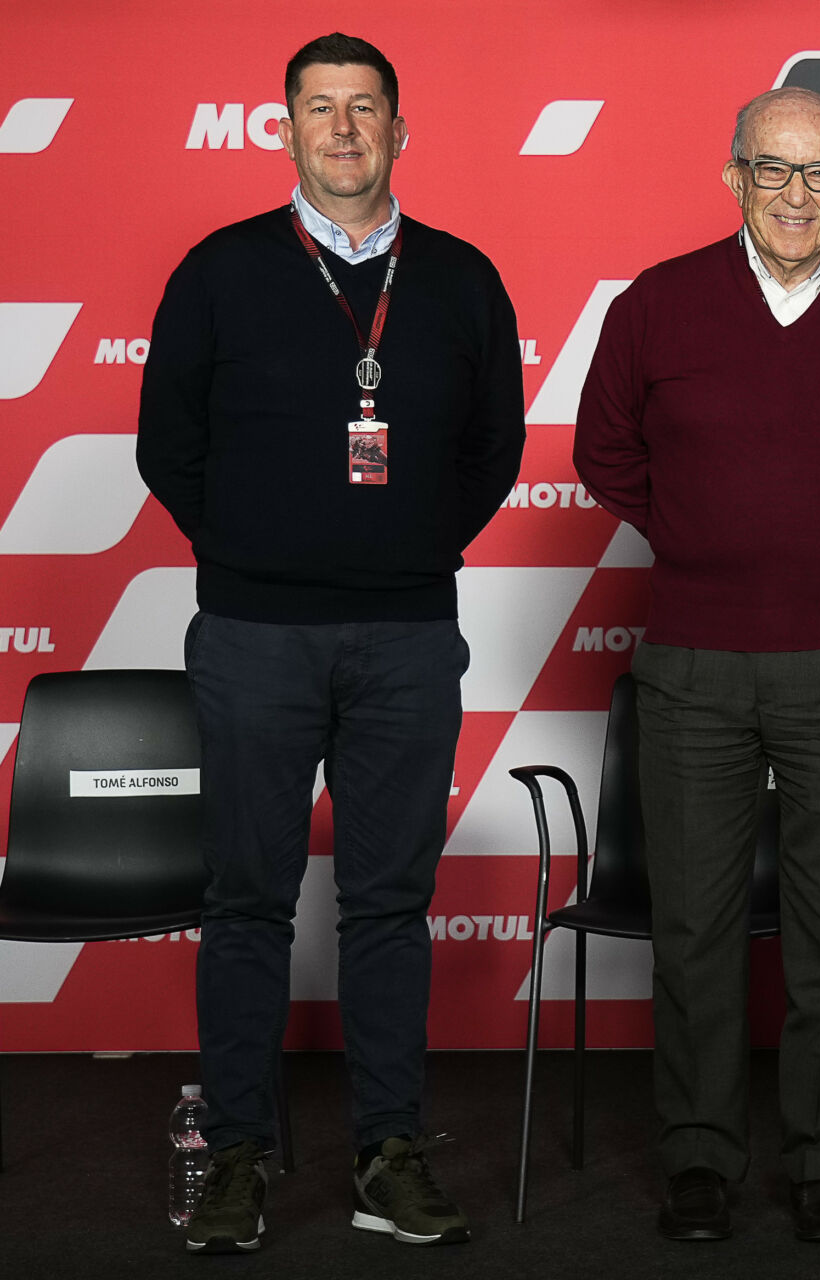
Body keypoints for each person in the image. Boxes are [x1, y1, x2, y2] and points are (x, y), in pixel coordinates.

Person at [136, 31, 525, 1254]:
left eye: (366, 109)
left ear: (401, 132)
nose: (344, 129)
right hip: (255, 632)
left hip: (410, 633)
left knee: (389, 903)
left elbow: (493, 452)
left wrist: (401, 543)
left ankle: (388, 1152)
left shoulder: (460, 276)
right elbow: (167, 445)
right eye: (320, 108)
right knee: (246, 899)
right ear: (287, 129)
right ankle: (239, 1154)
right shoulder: (219, 270)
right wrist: (261, 545)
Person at [573, 86, 820, 1244]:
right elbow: (606, 449)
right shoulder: (658, 303)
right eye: (776, 170)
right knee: (692, 924)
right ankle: (698, 1158)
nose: (800, 195)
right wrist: (704, 539)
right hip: (695, 659)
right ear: (735, 175)